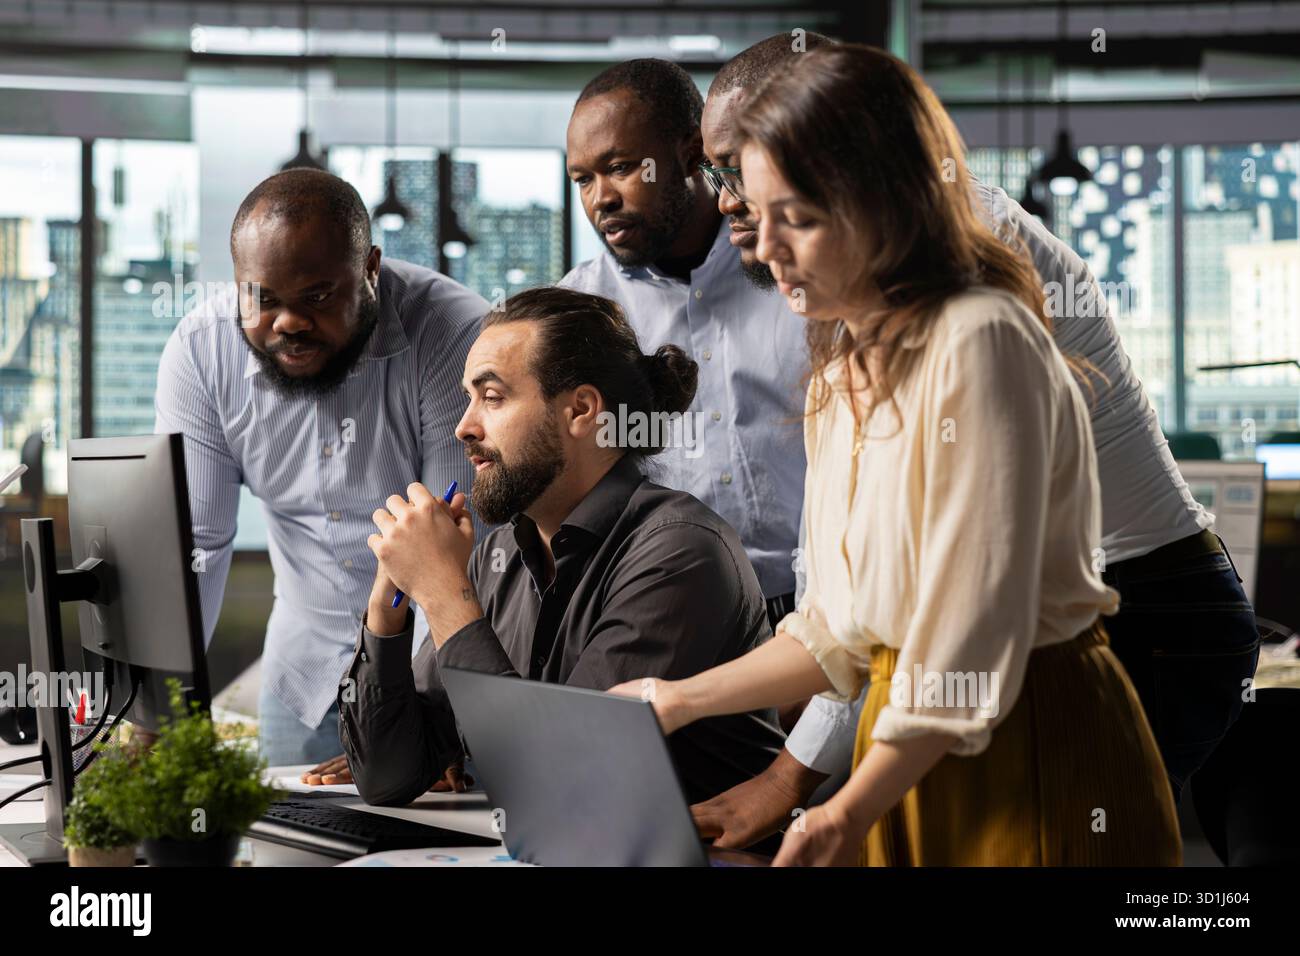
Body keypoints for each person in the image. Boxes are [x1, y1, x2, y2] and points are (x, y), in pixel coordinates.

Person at [612, 44, 1182, 866]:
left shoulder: (982, 341)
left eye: (796, 218)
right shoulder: (837, 369)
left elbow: (966, 638)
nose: (763, 247)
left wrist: (848, 807)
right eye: (756, 210)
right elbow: (836, 632)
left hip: (1024, 741)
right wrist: (672, 700)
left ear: (883, 204)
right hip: (900, 745)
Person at [338, 287, 785, 807]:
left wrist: (440, 592)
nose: (464, 426)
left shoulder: (681, 554)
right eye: (468, 397)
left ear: (581, 410)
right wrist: (385, 608)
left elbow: (555, 779)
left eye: (492, 396)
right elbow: (387, 778)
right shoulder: (494, 557)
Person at [154, 168, 487, 765]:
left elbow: (454, 543)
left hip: (431, 674)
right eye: (262, 299)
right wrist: (159, 717)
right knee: (293, 849)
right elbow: (194, 547)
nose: (288, 323)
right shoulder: (201, 355)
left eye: (317, 297)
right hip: (301, 678)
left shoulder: (452, 333)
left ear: (370, 270)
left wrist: (418, 727)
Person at [560, 58, 808, 640]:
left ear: (692, 152)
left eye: (621, 168)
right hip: (666, 610)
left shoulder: (796, 270)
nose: (601, 199)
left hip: (815, 602)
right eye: (583, 180)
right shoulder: (579, 310)